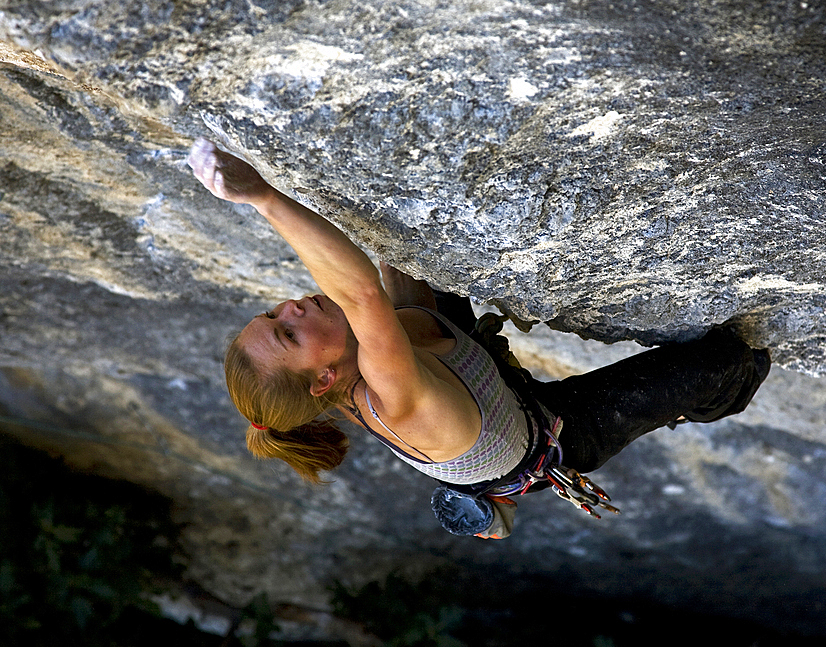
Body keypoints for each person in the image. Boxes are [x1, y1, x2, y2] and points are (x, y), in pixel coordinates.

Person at [187, 138, 771, 539]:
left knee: (408, 258)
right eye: (288, 333)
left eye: (272, 315)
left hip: (473, 370)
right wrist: (262, 196)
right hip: (553, 436)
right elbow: (362, 293)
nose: (290, 307)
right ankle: (721, 398)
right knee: (729, 360)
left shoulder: (376, 350)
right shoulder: (393, 396)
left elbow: (389, 286)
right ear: (325, 378)